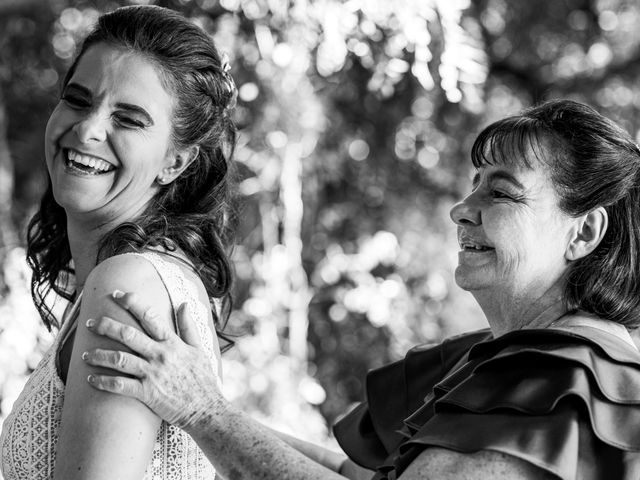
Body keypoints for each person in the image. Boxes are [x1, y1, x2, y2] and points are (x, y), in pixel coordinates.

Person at [81, 99, 640, 479]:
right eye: (474, 185)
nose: (461, 210)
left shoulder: (568, 375)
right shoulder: (514, 357)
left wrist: (201, 412)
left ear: (583, 231)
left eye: (502, 192)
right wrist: (200, 404)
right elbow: (357, 474)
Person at [0, 5, 237, 480]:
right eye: (78, 99)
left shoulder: (129, 287)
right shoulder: (137, 275)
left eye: (129, 120)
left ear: (175, 163)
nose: (88, 129)